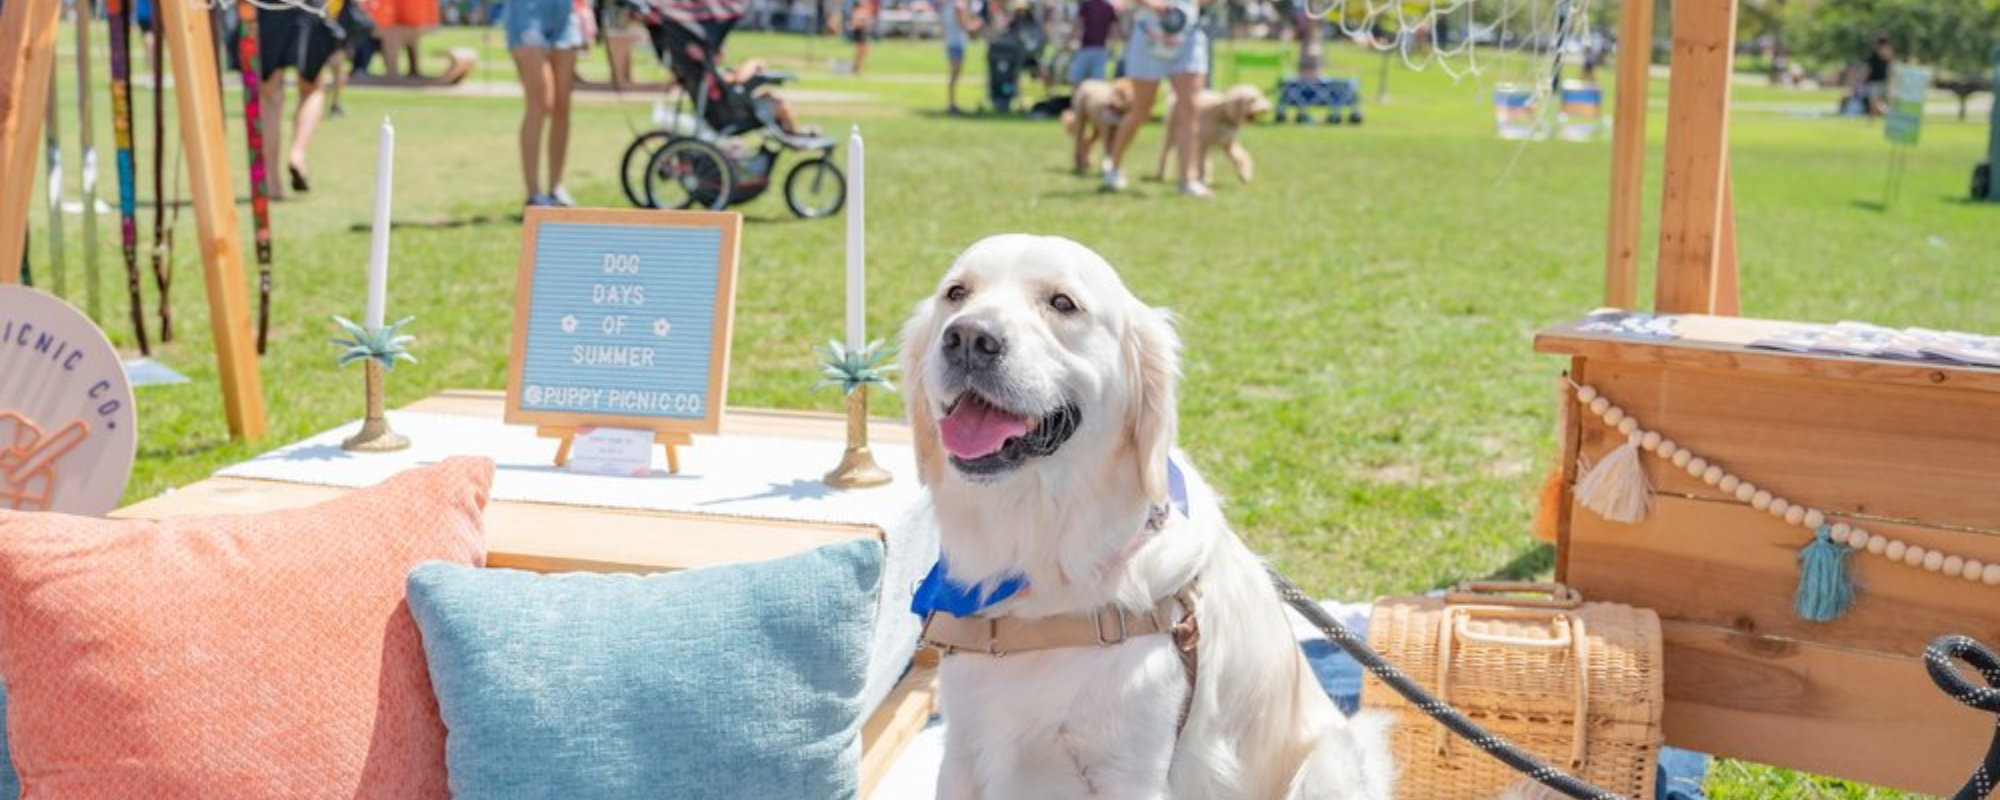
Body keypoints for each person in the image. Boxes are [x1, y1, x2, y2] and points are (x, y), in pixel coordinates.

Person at [1103, 0, 1211, 196]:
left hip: (1187, 34)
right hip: (1149, 35)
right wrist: (1155, 4)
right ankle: (1114, 165)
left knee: (1190, 108)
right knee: (1141, 110)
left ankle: (1188, 179)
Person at [507, 0, 588, 207]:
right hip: (527, 13)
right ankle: (533, 193)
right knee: (541, 103)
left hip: (563, 13)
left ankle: (556, 187)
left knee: (562, 105)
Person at [257, 0, 342, 198]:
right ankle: (297, 154)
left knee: (270, 94)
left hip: (269, 7)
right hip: (308, 6)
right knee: (312, 88)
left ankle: (272, 182)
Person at [939, 0, 984, 113]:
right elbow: (966, 27)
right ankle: (952, 104)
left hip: (951, 42)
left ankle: (952, 103)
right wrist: (978, 24)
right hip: (956, 43)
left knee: (954, 75)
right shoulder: (959, 6)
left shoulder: (948, 5)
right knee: (954, 75)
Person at [1066, 0, 1117, 88]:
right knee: (1096, 83)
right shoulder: (1109, 8)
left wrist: (1071, 40)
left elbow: (1078, 24)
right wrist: (1112, 47)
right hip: (1100, 49)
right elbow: (1113, 31)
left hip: (1087, 48)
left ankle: (1079, 99)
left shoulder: (1086, 5)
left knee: (1077, 80)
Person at [1864, 35, 1893, 117]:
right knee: (1874, 101)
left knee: (1879, 101)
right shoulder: (1873, 54)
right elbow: (1868, 68)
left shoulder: (1887, 54)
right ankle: (1873, 117)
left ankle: (1882, 115)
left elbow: (1890, 68)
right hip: (1874, 80)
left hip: (1882, 81)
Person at [847, 0, 878, 75]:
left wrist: (867, 23)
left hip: (863, 32)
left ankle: (856, 67)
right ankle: (857, 68)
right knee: (860, 52)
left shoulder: (864, 11)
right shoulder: (857, 12)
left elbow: (869, 22)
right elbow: (854, 24)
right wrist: (864, 23)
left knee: (864, 52)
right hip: (859, 32)